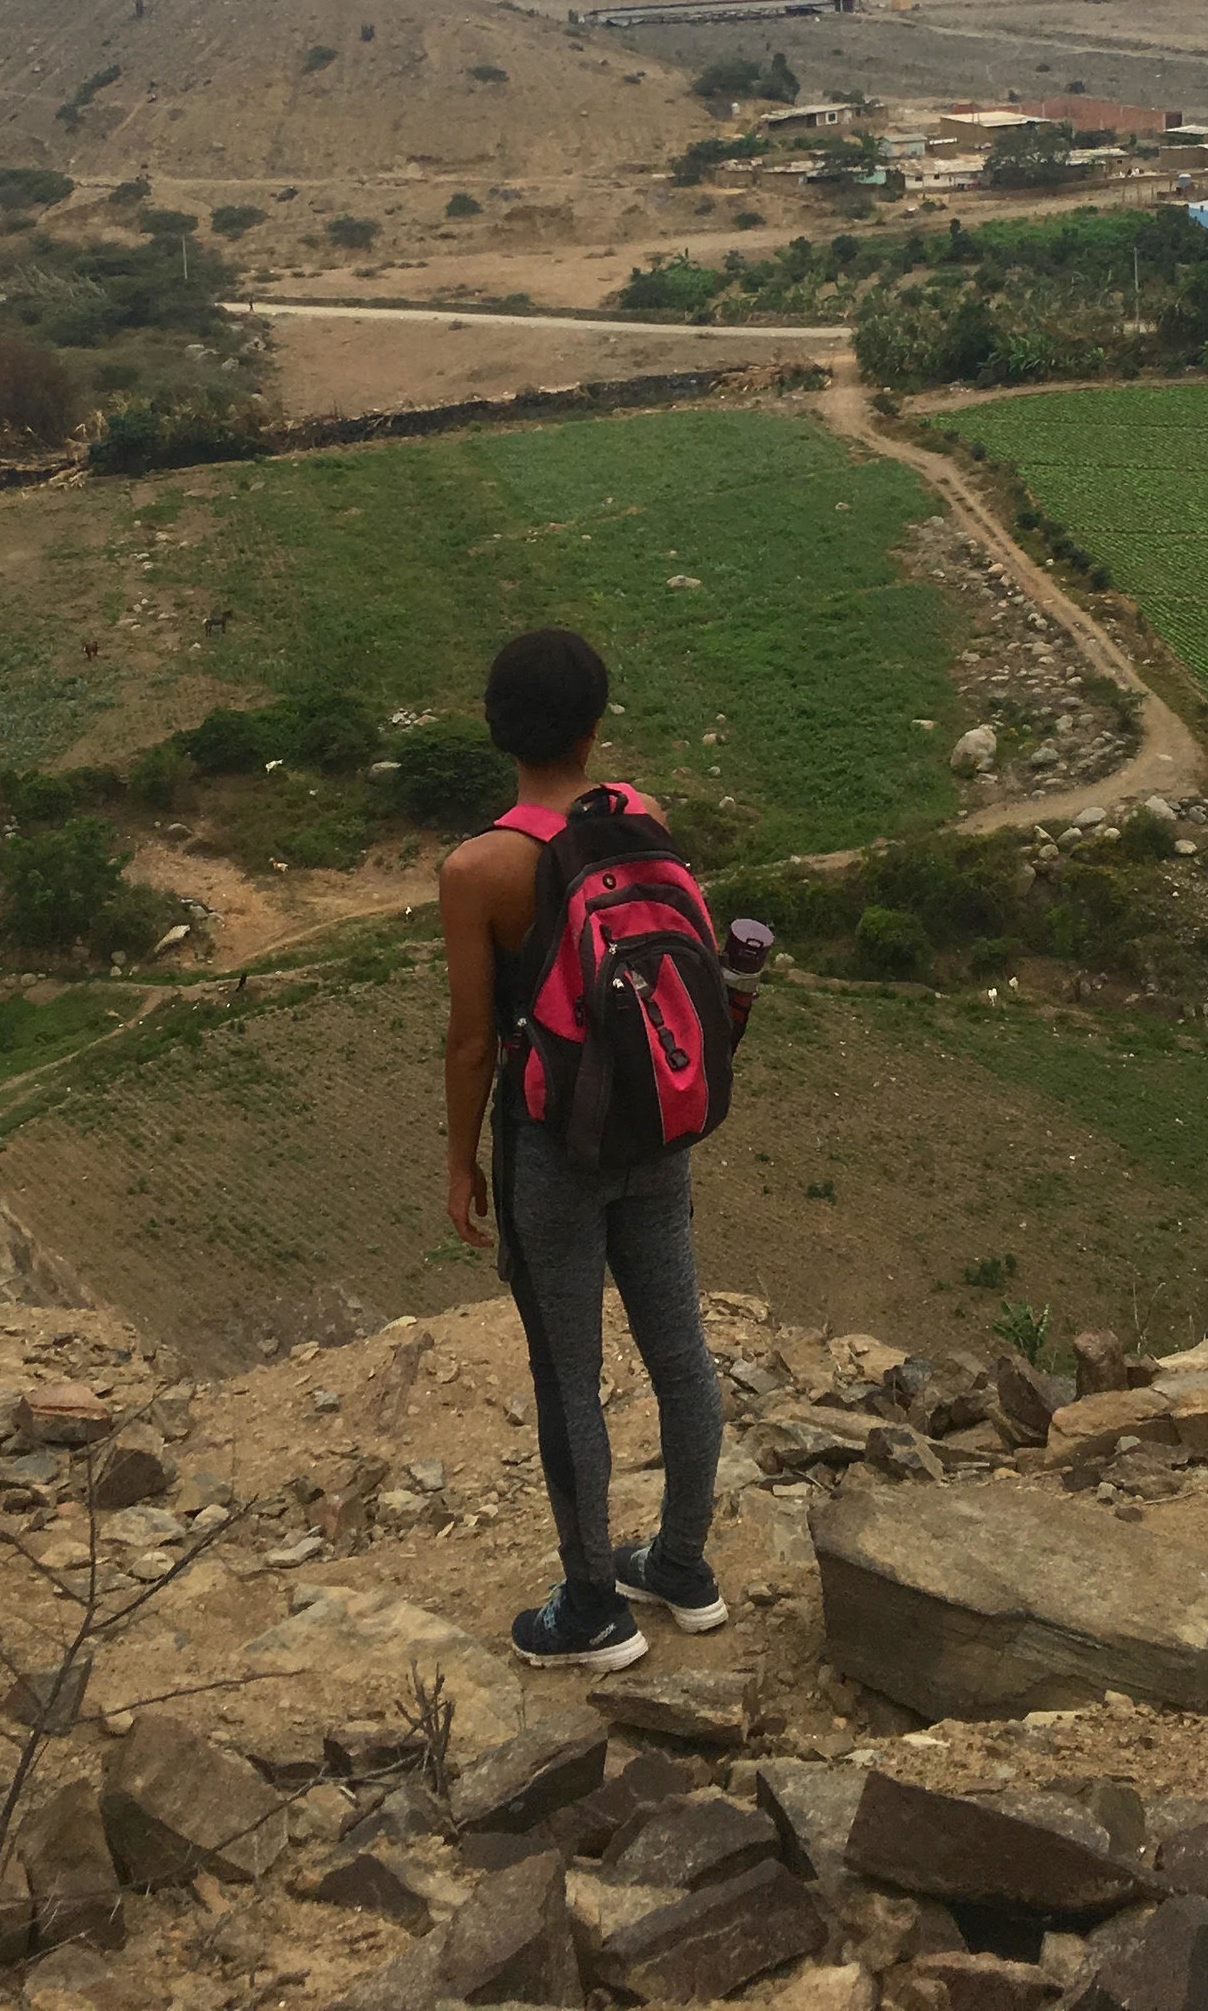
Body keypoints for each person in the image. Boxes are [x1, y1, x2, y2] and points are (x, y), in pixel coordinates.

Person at [439, 625, 727, 1670]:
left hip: (552, 1147)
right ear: (596, 727)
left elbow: (473, 1040)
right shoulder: (640, 819)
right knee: (679, 1352)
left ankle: (592, 1608)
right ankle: (683, 1569)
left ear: (494, 729)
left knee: (569, 1375)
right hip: (656, 1125)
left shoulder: (479, 868)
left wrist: (460, 1161)